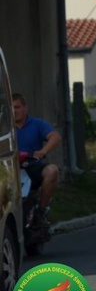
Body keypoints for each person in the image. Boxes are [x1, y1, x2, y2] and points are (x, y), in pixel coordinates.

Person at [13, 93, 62, 226]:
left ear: (25, 108)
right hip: (11, 170)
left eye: (17, 107)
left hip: (32, 167)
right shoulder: (5, 128)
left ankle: (41, 212)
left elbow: (55, 137)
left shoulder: (37, 124)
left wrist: (42, 151)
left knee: (52, 171)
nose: (14, 111)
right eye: (10, 108)